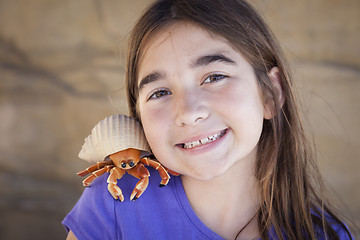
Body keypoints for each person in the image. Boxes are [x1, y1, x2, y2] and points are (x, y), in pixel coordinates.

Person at [63, 0, 355, 239]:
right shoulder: (114, 204)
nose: (189, 112)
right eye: (160, 92)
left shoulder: (322, 235)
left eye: (215, 77)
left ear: (270, 93)